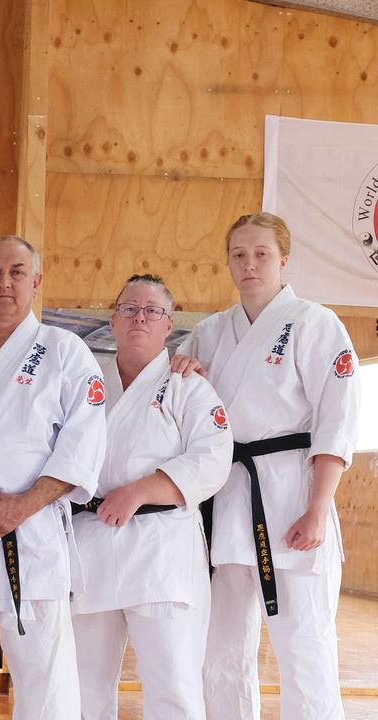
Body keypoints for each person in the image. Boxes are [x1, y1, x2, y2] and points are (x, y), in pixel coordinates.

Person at [172, 212, 361, 720]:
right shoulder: (209, 333)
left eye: (261, 254)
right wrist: (182, 373)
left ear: (284, 260)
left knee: (304, 644)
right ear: (228, 262)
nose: (249, 264)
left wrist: (318, 508)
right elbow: (175, 407)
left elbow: (336, 421)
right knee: (223, 648)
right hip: (228, 497)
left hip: (292, 494)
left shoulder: (317, 323)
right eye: (238, 254)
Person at [0, 235, 107, 720]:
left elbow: (83, 444)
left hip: (28, 537)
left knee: (45, 682)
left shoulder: (66, 351)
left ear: (35, 282)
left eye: (16, 272)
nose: (3, 282)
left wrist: (25, 504)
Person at [69, 274, 232, 719]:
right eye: (130, 308)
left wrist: (140, 491)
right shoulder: (86, 384)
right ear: (114, 320)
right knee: (82, 685)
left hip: (162, 551)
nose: (140, 316)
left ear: (169, 324)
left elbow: (215, 456)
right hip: (90, 545)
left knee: (173, 683)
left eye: (152, 310)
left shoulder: (188, 386)